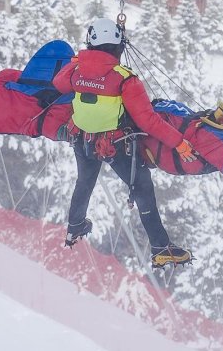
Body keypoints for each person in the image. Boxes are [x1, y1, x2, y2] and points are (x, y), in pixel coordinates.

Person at [52, 18, 196, 269]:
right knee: (142, 189)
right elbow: (148, 121)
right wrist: (180, 143)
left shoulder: (76, 72)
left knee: (84, 182)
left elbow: (58, 83)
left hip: (83, 140)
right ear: (117, 46)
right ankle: (160, 248)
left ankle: (75, 227)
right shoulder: (124, 80)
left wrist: (77, 61)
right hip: (115, 145)